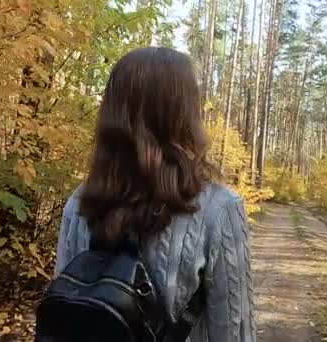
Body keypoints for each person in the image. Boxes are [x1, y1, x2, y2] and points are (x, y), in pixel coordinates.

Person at [53, 47, 256, 342]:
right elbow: (235, 332)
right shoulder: (219, 209)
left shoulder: (82, 202)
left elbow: (65, 315)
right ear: (185, 116)